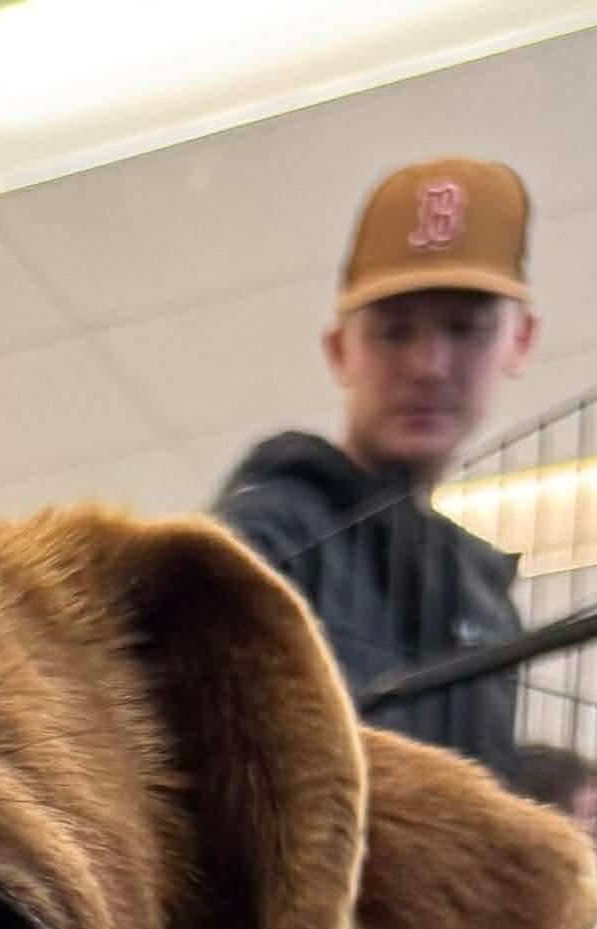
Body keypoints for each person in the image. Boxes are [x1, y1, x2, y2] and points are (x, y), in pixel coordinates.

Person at [214, 159, 537, 786]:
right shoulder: (266, 536)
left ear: (521, 340)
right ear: (340, 350)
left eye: (464, 330)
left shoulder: (485, 602)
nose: (429, 364)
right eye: (394, 332)